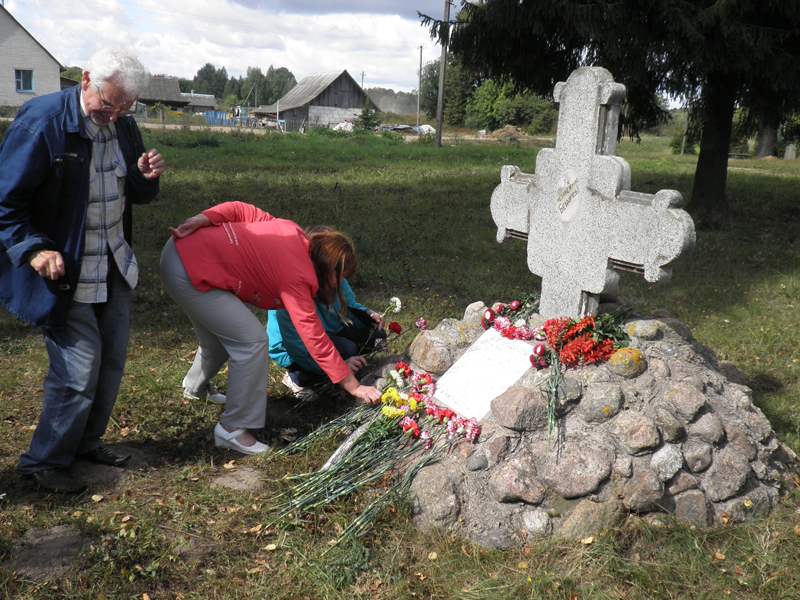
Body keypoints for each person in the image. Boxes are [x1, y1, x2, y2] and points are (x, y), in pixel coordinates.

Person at [0, 47, 165, 494]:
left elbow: (136, 195)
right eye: (107, 106)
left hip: (112, 262)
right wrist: (34, 249)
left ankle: (85, 443)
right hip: (65, 270)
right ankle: (43, 461)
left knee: (110, 361)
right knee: (79, 368)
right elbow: (5, 202)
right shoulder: (42, 123)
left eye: (124, 109)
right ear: (86, 79)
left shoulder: (122, 125)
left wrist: (146, 177)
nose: (113, 117)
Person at [160, 201, 382, 456]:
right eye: (339, 276)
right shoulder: (298, 277)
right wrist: (355, 387)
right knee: (252, 342)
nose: (340, 283)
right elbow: (315, 339)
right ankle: (232, 428)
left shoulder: (291, 231)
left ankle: (195, 388)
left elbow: (242, 210)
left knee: (218, 339)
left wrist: (204, 218)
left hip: (180, 250)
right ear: (324, 268)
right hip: (188, 269)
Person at [268, 255, 386, 393]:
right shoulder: (293, 293)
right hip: (294, 348)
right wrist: (339, 367)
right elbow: (299, 346)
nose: (341, 282)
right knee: (347, 350)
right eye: (339, 277)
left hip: (329, 330)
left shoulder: (335, 277)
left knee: (376, 335)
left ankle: (338, 364)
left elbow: (349, 305)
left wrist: (368, 314)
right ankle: (297, 376)